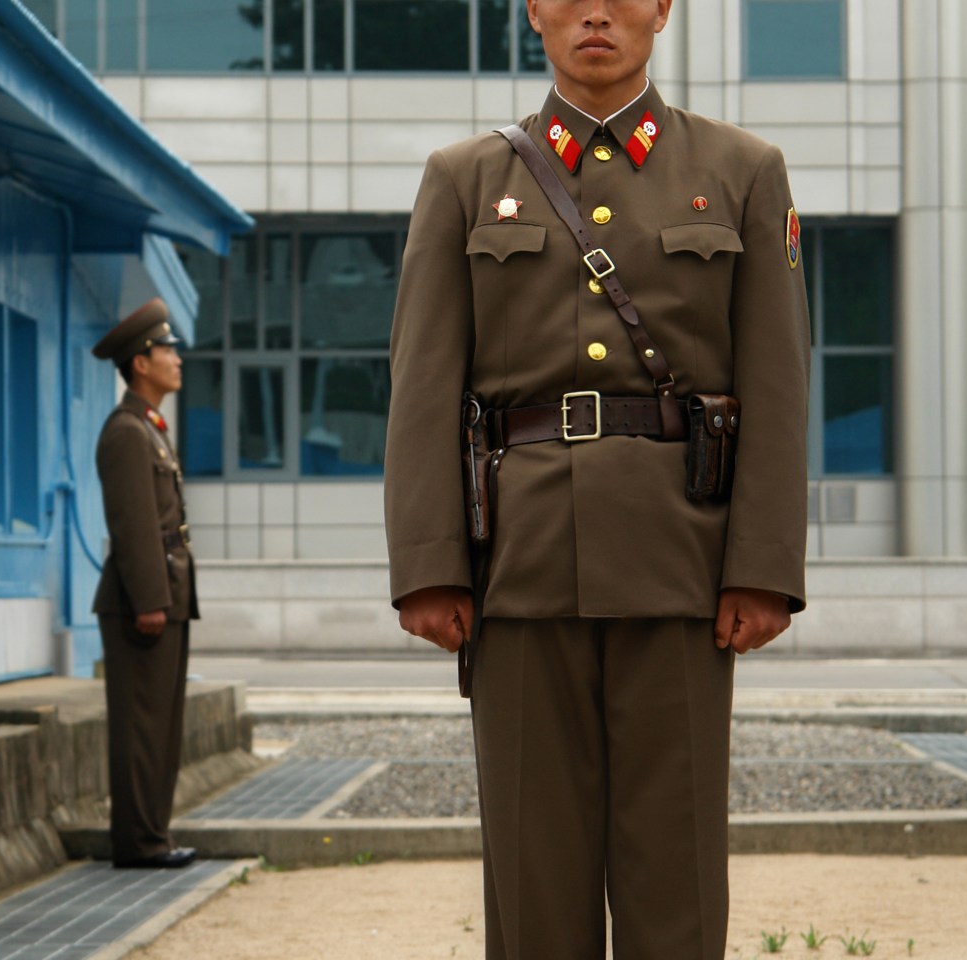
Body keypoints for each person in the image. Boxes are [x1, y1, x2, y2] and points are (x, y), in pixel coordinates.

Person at [383, 1, 809, 957]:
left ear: (663, 8)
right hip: (521, 567)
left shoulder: (742, 171)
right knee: (533, 877)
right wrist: (429, 563)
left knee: (678, 872)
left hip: (683, 565)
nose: (597, 14)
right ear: (534, 9)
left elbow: (778, 382)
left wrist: (764, 564)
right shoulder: (464, 179)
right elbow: (422, 385)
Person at [91, 297, 199, 869]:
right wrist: (152, 601)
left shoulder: (148, 427)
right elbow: (133, 526)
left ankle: (152, 835)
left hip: (165, 599)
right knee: (141, 728)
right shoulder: (127, 432)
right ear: (140, 362)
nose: (177, 360)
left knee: (160, 728)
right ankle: (139, 842)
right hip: (146, 604)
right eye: (167, 350)